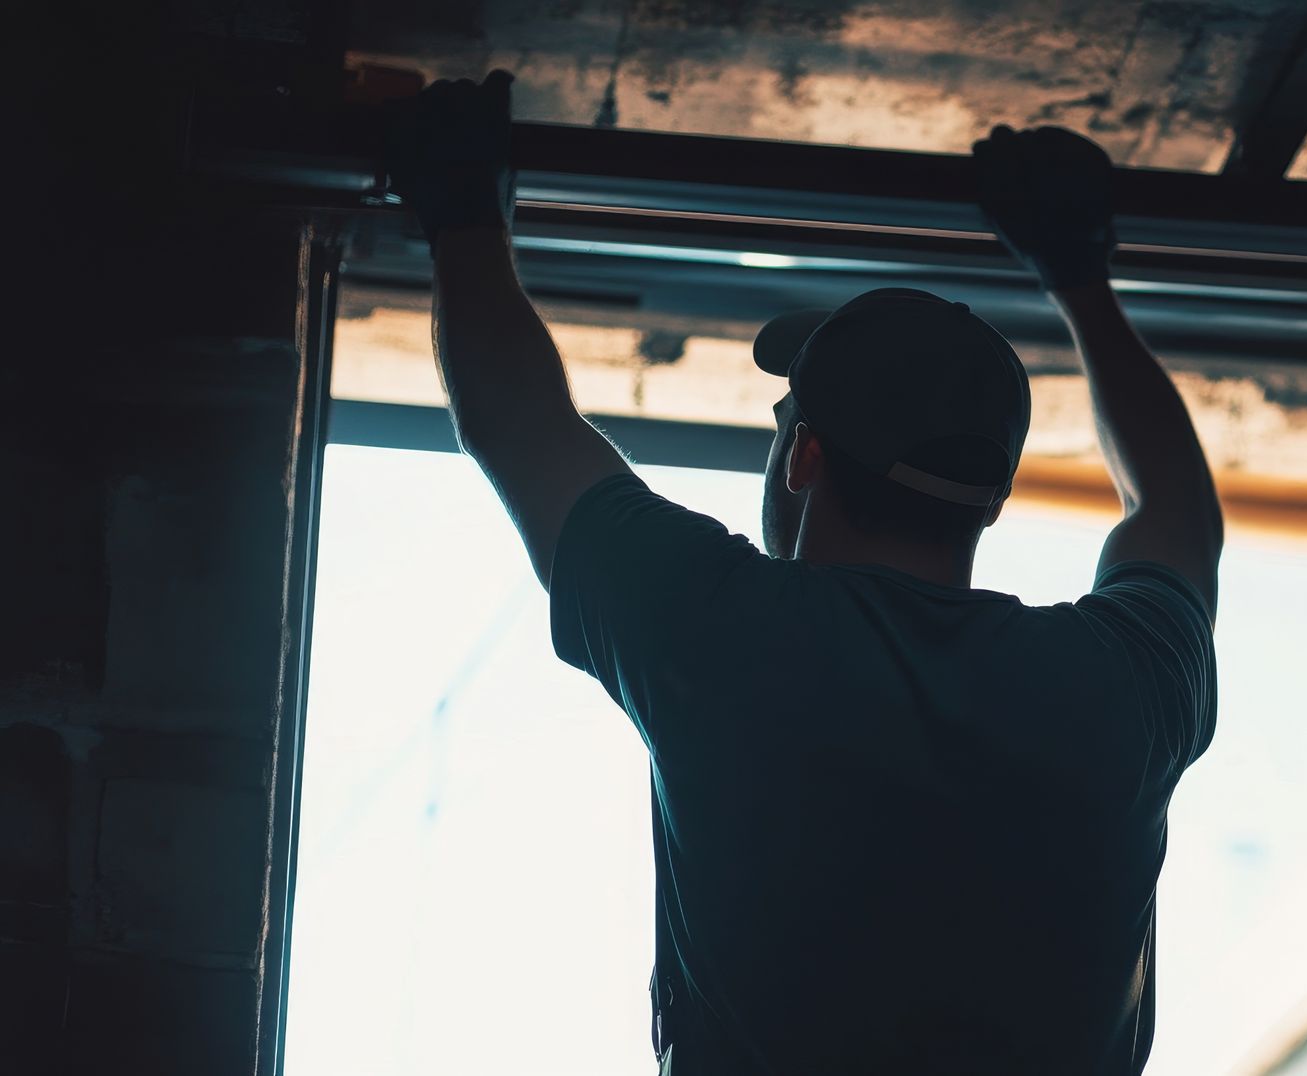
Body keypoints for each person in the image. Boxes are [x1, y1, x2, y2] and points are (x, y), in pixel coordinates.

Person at [386, 70, 1222, 1076]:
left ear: (805, 457)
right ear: (992, 495)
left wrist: (468, 218)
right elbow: (1176, 506)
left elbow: (514, 417)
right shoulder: (1120, 684)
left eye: (786, 424)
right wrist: (1080, 272)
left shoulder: (720, 629)